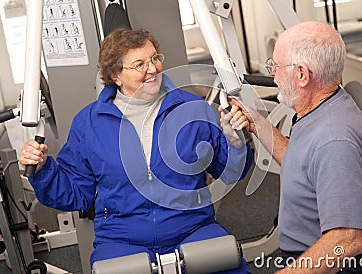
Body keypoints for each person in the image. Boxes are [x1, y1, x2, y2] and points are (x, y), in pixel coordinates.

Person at [19, 28, 253, 273]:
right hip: (122, 237)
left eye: (154, 58)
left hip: (192, 227)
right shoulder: (89, 123)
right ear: (115, 75)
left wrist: (235, 142)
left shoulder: (192, 108)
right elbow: (75, 194)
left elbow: (230, 174)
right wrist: (44, 170)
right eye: (139, 64)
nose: (152, 69)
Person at [229, 21, 362, 273]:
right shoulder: (323, 108)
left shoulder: (334, 139)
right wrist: (257, 123)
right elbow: (303, 167)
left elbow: (348, 239)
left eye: (275, 66)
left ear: (302, 75)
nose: (272, 73)